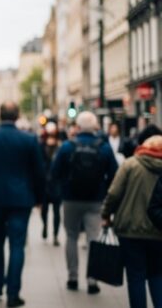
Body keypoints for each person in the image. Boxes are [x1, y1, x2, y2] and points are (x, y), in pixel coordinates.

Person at [0, 101, 45, 308]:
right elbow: (39, 172)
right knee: (17, 245)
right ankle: (13, 294)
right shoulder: (29, 140)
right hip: (21, 200)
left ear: (0, 115)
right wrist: (39, 198)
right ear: (17, 115)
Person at [51, 111, 118, 294]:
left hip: (71, 199)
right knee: (93, 239)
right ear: (96, 127)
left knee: (71, 237)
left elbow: (55, 172)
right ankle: (92, 281)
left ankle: (73, 278)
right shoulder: (104, 147)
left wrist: (63, 188)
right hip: (96, 200)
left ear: (78, 127)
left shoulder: (67, 146)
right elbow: (115, 174)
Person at [102, 134, 162, 308]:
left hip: (130, 229)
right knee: (157, 275)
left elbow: (113, 194)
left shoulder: (131, 164)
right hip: (159, 231)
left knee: (135, 276)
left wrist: (106, 214)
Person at [40, 122, 62, 245]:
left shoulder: (60, 146)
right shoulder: (41, 146)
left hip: (56, 183)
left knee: (56, 211)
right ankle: (45, 226)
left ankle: (55, 235)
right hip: (45, 184)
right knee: (44, 211)